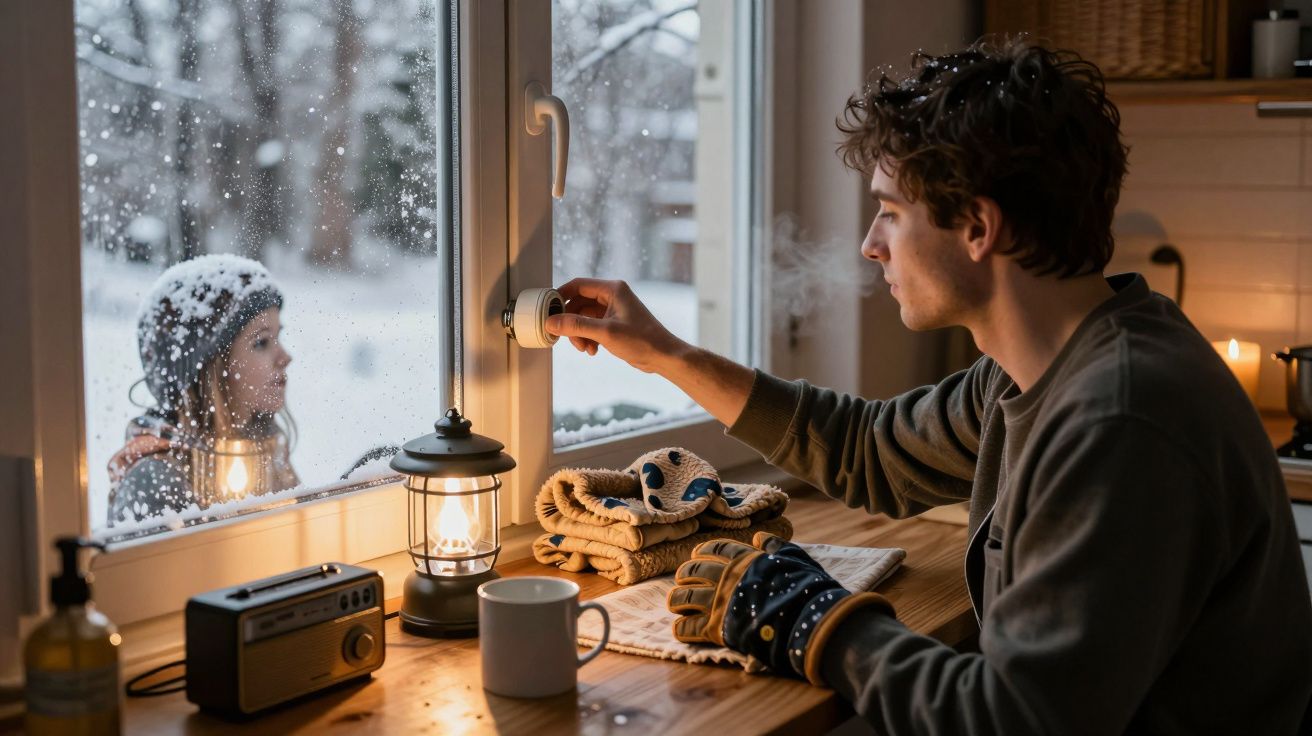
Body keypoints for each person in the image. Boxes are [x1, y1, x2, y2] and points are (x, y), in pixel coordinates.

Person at [545, 39, 1312, 733]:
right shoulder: (1046, 362)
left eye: (890, 212)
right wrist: (665, 354)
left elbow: (1016, 721)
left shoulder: (1120, 419)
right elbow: (869, 450)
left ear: (979, 228)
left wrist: (813, 618)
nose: (870, 245)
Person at [107, 254, 298, 526]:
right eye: (261, 342)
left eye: (279, 337)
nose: (285, 357)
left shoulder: (265, 452)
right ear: (209, 366)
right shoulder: (156, 480)